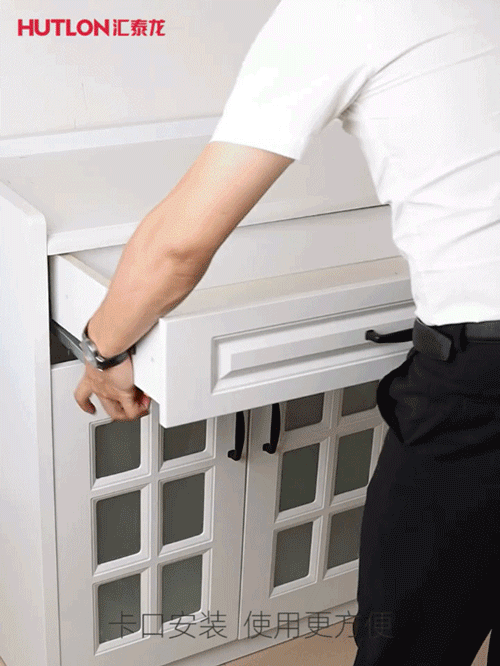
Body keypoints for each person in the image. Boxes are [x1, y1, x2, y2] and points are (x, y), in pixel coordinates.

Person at [74, 0, 500, 663]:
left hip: (482, 383)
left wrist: (100, 351)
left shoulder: (338, 11)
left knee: (411, 640)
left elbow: (178, 246)